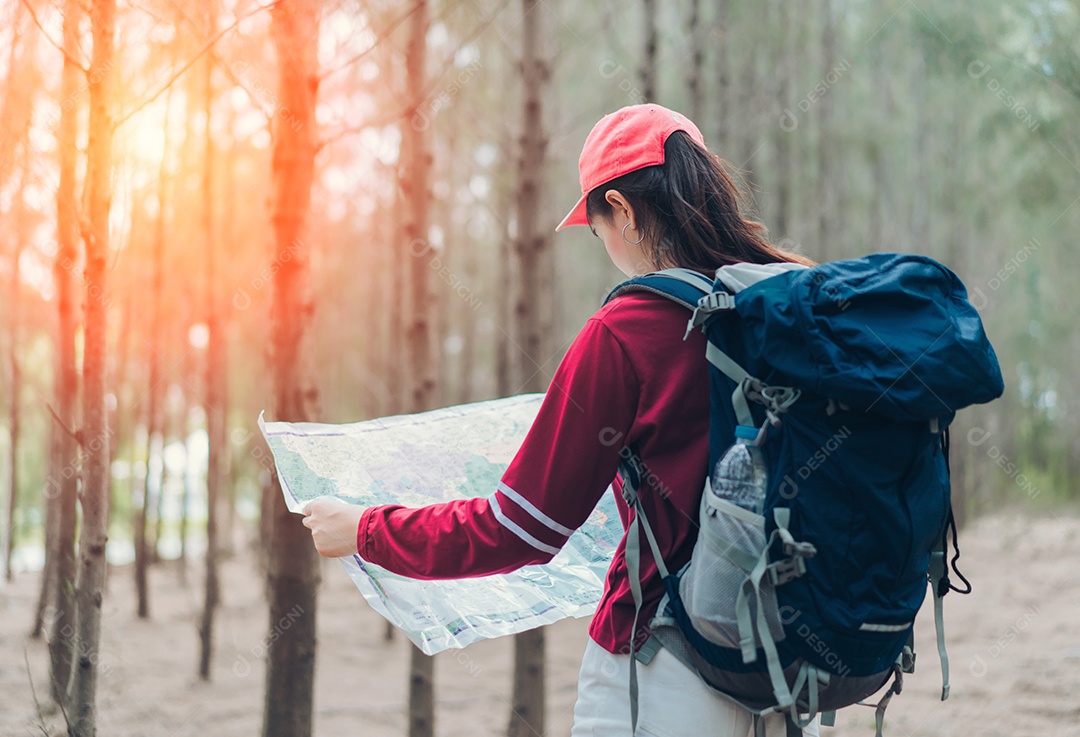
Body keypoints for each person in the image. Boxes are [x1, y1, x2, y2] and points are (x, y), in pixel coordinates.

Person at [302, 103, 817, 736]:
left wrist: (367, 530)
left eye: (597, 229)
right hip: (791, 666)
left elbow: (518, 528)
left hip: (665, 669)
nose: (603, 246)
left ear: (622, 211)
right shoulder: (794, 304)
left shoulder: (628, 331)